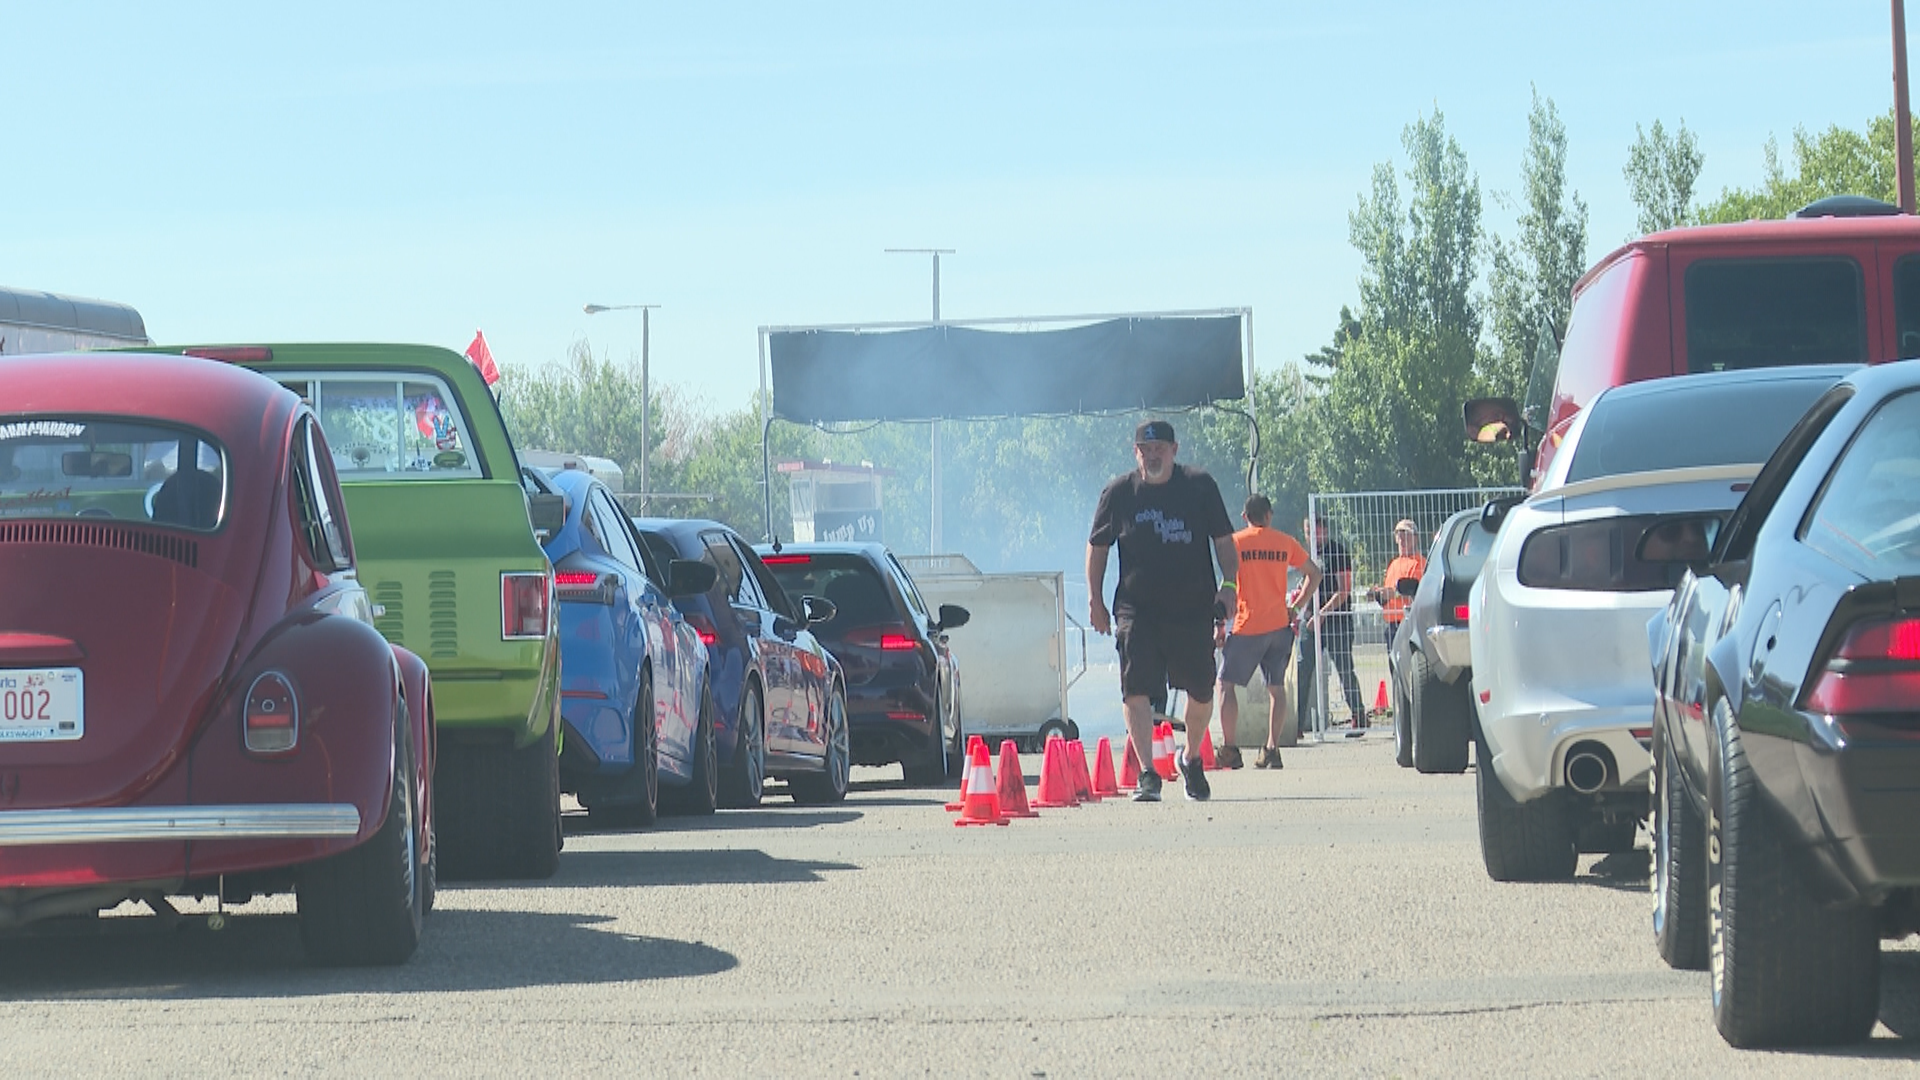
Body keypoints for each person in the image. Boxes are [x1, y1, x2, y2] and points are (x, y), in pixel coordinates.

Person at [1087, 419, 1237, 802]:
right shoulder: (1118, 493)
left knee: (1202, 691)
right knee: (1135, 689)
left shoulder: (1199, 486)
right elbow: (1098, 547)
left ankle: (1190, 758)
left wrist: (1230, 587)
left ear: (1174, 450)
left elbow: (1223, 541)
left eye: (1159, 449)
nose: (1152, 455)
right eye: (1145, 449)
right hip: (1137, 609)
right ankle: (1149, 774)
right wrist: (1096, 600)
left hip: (1192, 608)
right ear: (1135, 451)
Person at [1216, 495, 1320, 770]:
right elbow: (1315, 573)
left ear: (1244, 516)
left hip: (1247, 625)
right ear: (1269, 515)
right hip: (1279, 625)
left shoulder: (1236, 543)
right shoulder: (1285, 542)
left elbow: (1226, 583)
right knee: (1277, 689)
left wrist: (1218, 623)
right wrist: (1295, 609)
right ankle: (1272, 748)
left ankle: (1229, 748)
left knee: (1226, 685)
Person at [1296, 512, 1366, 737]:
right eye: (1307, 532)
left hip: (1337, 621)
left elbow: (1344, 590)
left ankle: (1359, 717)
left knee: (1344, 669)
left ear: (1323, 530)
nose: (1310, 536)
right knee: (1302, 669)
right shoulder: (1307, 555)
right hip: (1310, 622)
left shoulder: (1338, 552)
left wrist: (1323, 613)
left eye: (1313, 531)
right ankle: (1296, 724)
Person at [1367, 519, 1427, 640]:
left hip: (1409, 624)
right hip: (1391, 625)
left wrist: (1393, 594)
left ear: (1416, 538)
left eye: (1406, 535)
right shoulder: (1393, 564)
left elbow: (1417, 593)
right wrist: (1379, 594)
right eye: (1399, 535)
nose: (1402, 539)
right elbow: (1388, 595)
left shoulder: (1420, 563)